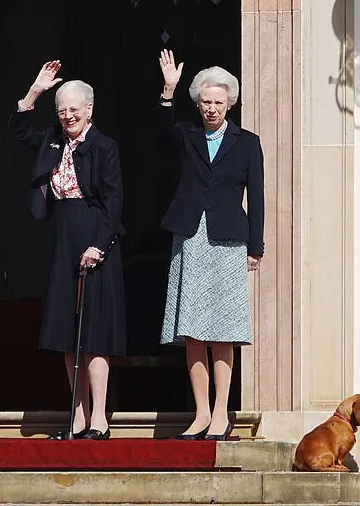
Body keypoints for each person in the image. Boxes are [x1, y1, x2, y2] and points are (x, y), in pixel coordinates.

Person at [9, 61, 126, 440]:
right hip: (62, 235)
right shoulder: (53, 140)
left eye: (74, 109)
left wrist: (99, 246)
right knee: (66, 332)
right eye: (61, 110)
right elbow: (17, 130)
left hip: (95, 239)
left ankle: (100, 420)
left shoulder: (105, 146)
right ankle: (76, 418)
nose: (68, 115)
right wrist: (35, 91)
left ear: (90, 109)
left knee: (94, 334)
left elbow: (114, 202)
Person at [157, 49, 265, 441]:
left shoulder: (247, 142)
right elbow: (160, 136)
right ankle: (200, 413)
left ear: (230, 104)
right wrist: (167, 92)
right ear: (197, 103)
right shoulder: (186, 135)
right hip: (190, 236)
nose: (212, 108)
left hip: (229, 239)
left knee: (222, 327)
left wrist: (257, 246)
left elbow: (258, 194)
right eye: (206, 101)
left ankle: (221, 413)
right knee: (193, 330)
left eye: (219, 102)